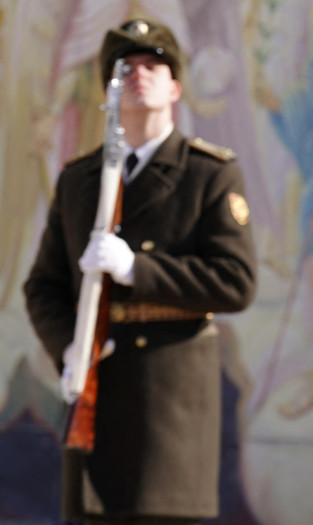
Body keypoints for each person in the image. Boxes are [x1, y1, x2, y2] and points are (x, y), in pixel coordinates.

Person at [23, 19, 256, 524]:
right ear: (107, 92)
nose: (139, 75)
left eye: (155, 65)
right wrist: (69, 346)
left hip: (167, 406)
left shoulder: (209, 173)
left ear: (175, 86)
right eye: (125, 67)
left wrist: (137, 267)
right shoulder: (79, 180)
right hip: (97, 395)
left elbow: (236, 281)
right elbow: (43, 286)